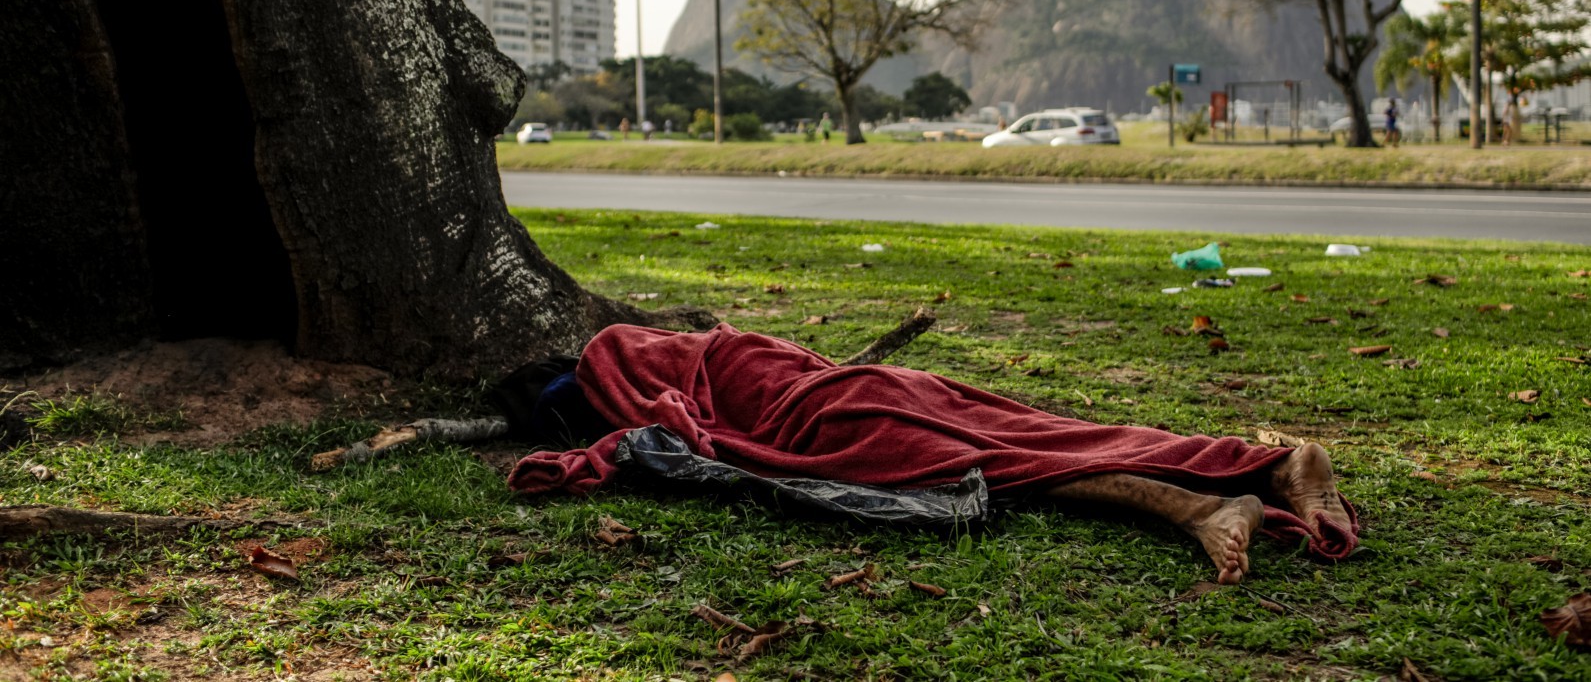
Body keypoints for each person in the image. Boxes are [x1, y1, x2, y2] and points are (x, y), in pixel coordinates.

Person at [507, 324, 1358, 585]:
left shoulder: (593, 373)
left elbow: (661, 421)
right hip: (854, 382)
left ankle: (1204, 503)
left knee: (1016, 457)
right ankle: (1264, 466)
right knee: (1033, 430)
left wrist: (590, 450)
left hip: (825, 412)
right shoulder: (664, 337)